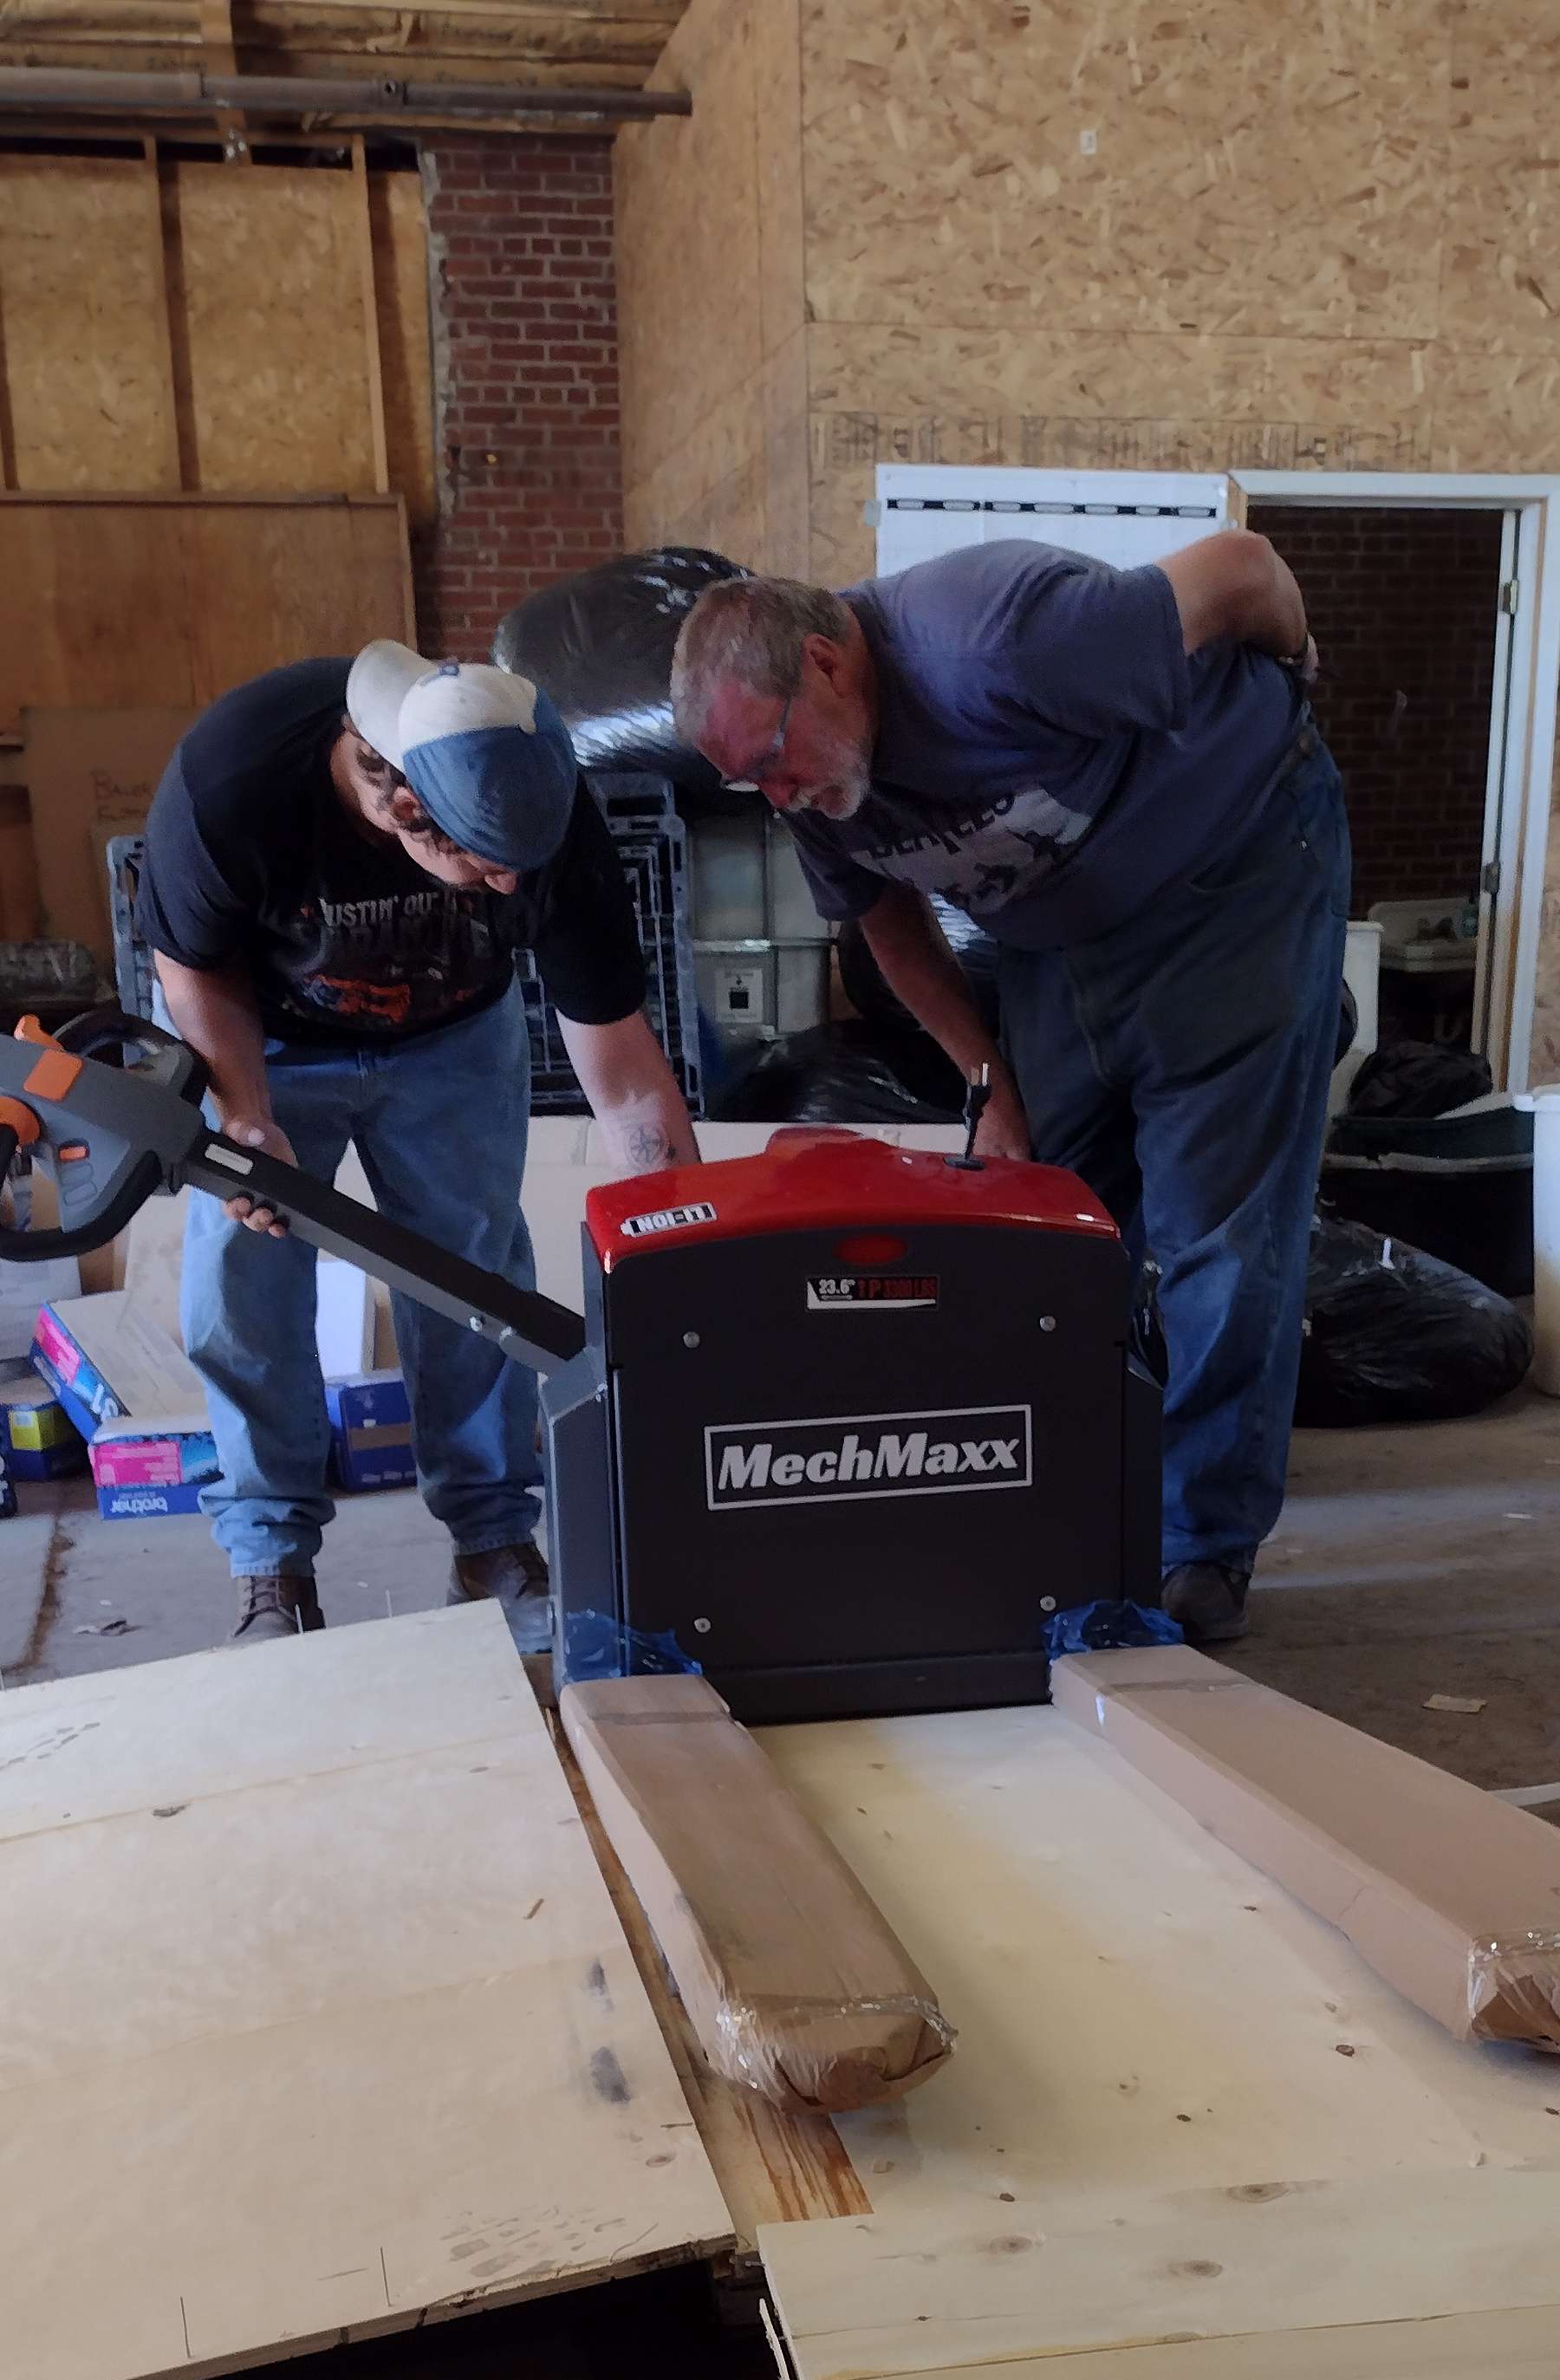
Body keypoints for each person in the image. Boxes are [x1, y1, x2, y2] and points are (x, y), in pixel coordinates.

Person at [670, 539, 1349, 1645]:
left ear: (829, 663)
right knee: (1052, 1225)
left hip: (1234, 876)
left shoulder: (999, 639)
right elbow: (886, 922)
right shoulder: (808, 779)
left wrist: (1300, 661)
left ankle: (1199, 1541)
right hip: (1058, 934)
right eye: (756, 783)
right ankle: (1070, 1500)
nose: (781, 797)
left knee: (1217, 1231)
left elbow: (1246, 567)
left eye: (779, 762)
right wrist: (983, 1079)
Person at [139, 641, 699, 1646]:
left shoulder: (549, 818)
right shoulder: (236, 776)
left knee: (471, 1272)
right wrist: (247, 1114)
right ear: (400, 805)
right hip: (267, 1033)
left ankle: (491, 1542)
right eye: (483, 865)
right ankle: (273, 1563)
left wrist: (690, 1250)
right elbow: (189, 965)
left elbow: (624, 1075)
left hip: (452, 1036)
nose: (506, 885)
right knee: (243, 1282)